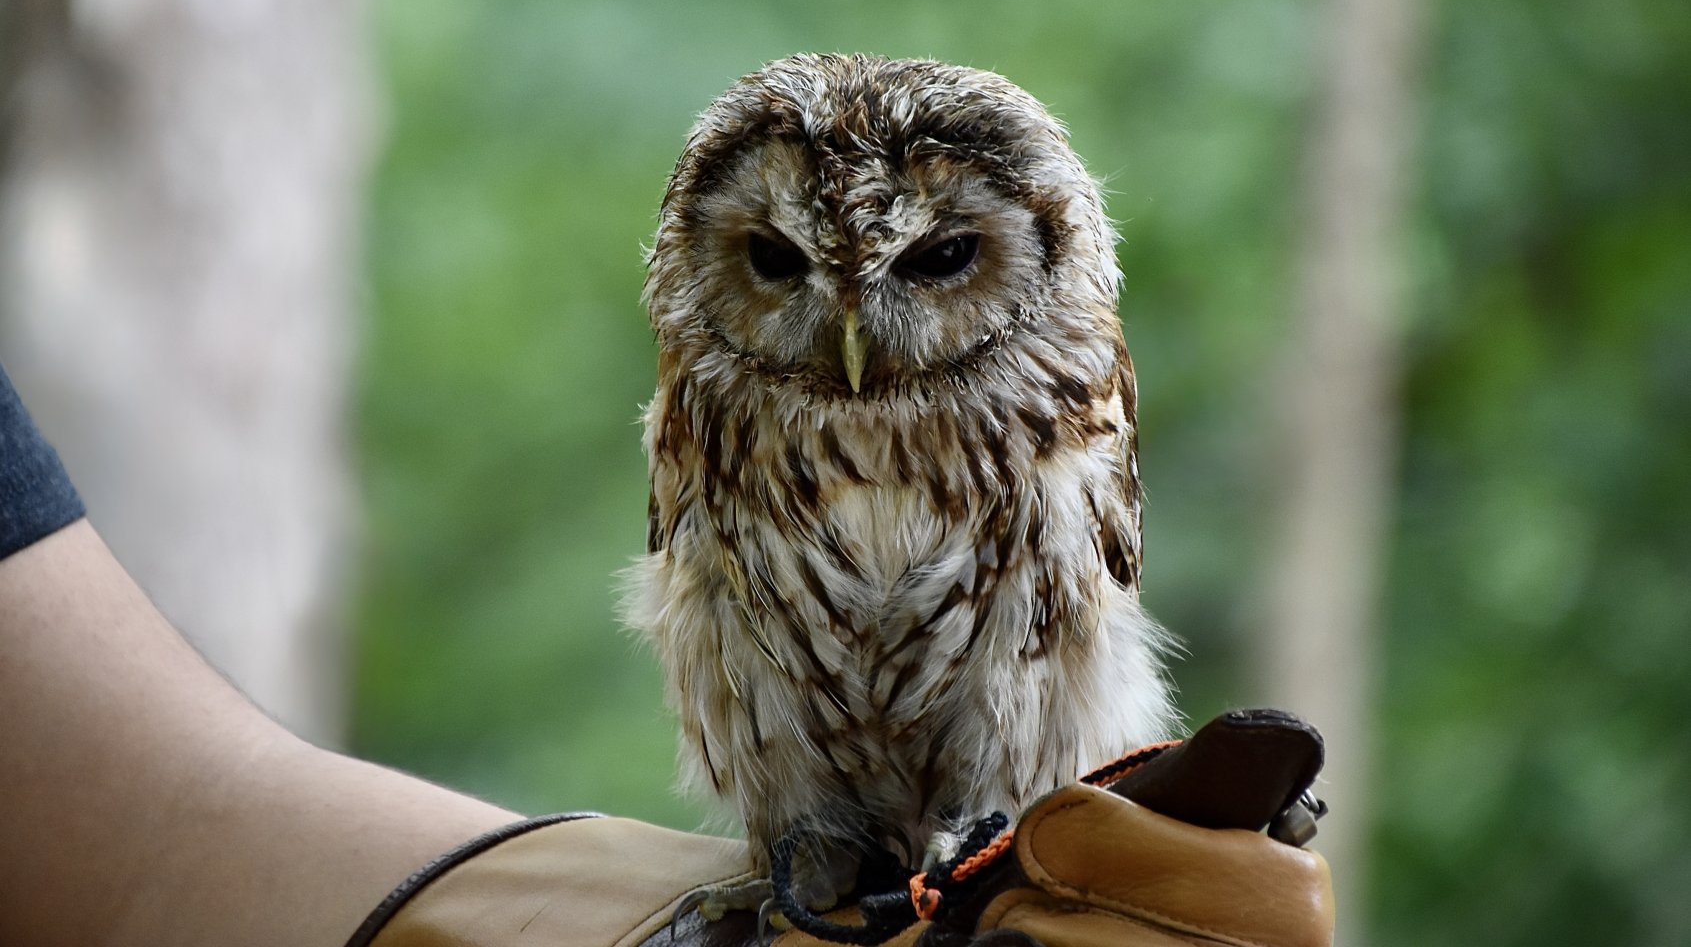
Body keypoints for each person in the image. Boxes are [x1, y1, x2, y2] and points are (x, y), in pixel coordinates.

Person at [0, 361, 1334, 947]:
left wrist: (629, 935)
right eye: (771, 264)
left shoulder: (1064, 401)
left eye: (942, 265)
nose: (855, 336)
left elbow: (136, 831)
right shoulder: (707, 413)